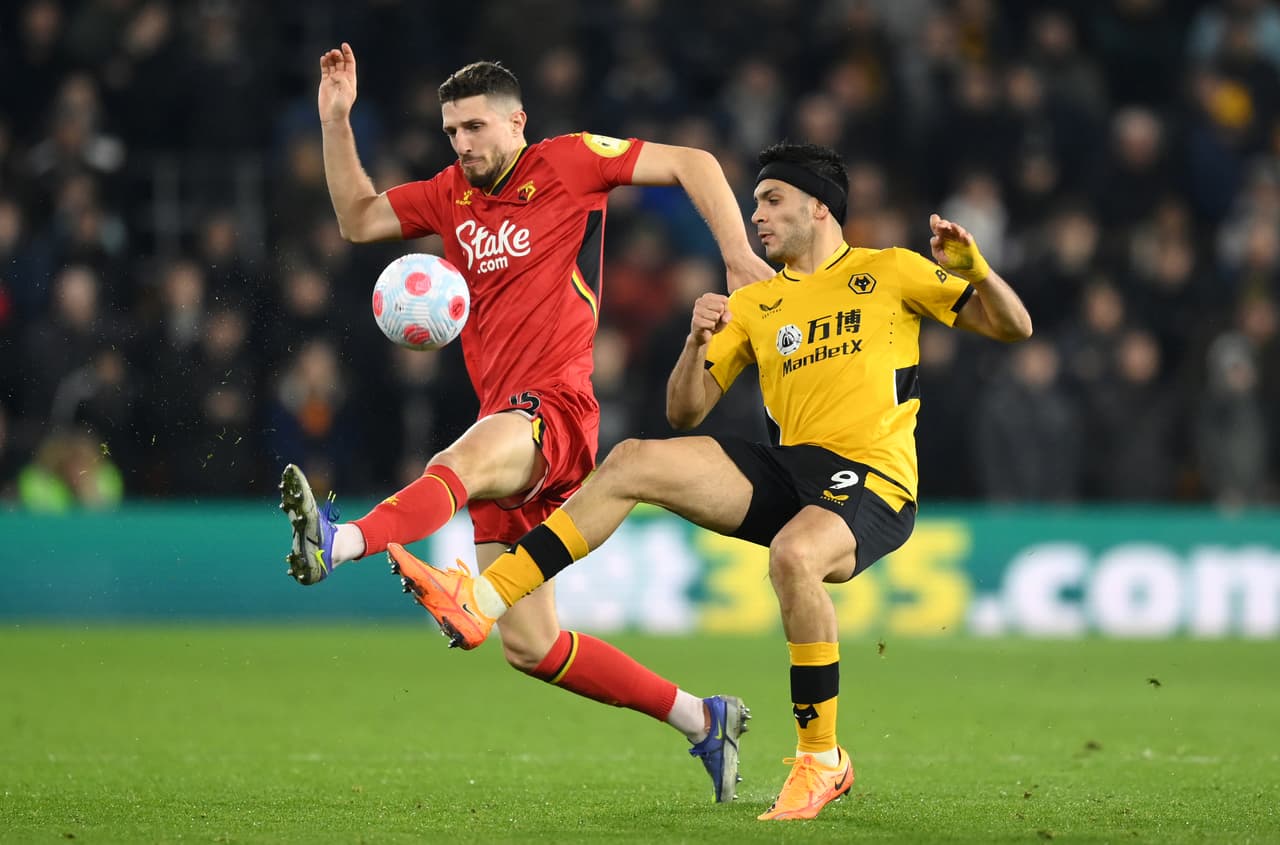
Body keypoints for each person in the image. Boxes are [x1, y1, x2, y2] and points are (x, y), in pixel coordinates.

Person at [391, 142, 1033, 820]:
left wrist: (979, 272)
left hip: (873, 476)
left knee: (794, 555)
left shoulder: (890, 271)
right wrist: (697, 343)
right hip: (794, 467)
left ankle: (822, 760)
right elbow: (684, 410)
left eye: (770, 200)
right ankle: (485, 598)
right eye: (753, 202)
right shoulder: (756, 303)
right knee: (635, 459)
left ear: (820, 207)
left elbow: (1013, 326)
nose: (754, 215)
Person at [278, 44, 773, 802]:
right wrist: (336, 122)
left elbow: (695, 161)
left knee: (461, 458)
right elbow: (356, 219)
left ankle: (338, 540)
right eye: (451, 132)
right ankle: (702, 717)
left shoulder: (572, 163)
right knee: (531, 645)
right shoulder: (450, 195)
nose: (462, 145)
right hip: (507, 421)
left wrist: (736, 256)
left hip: (557, 409)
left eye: (475, 127)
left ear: (517, 122)